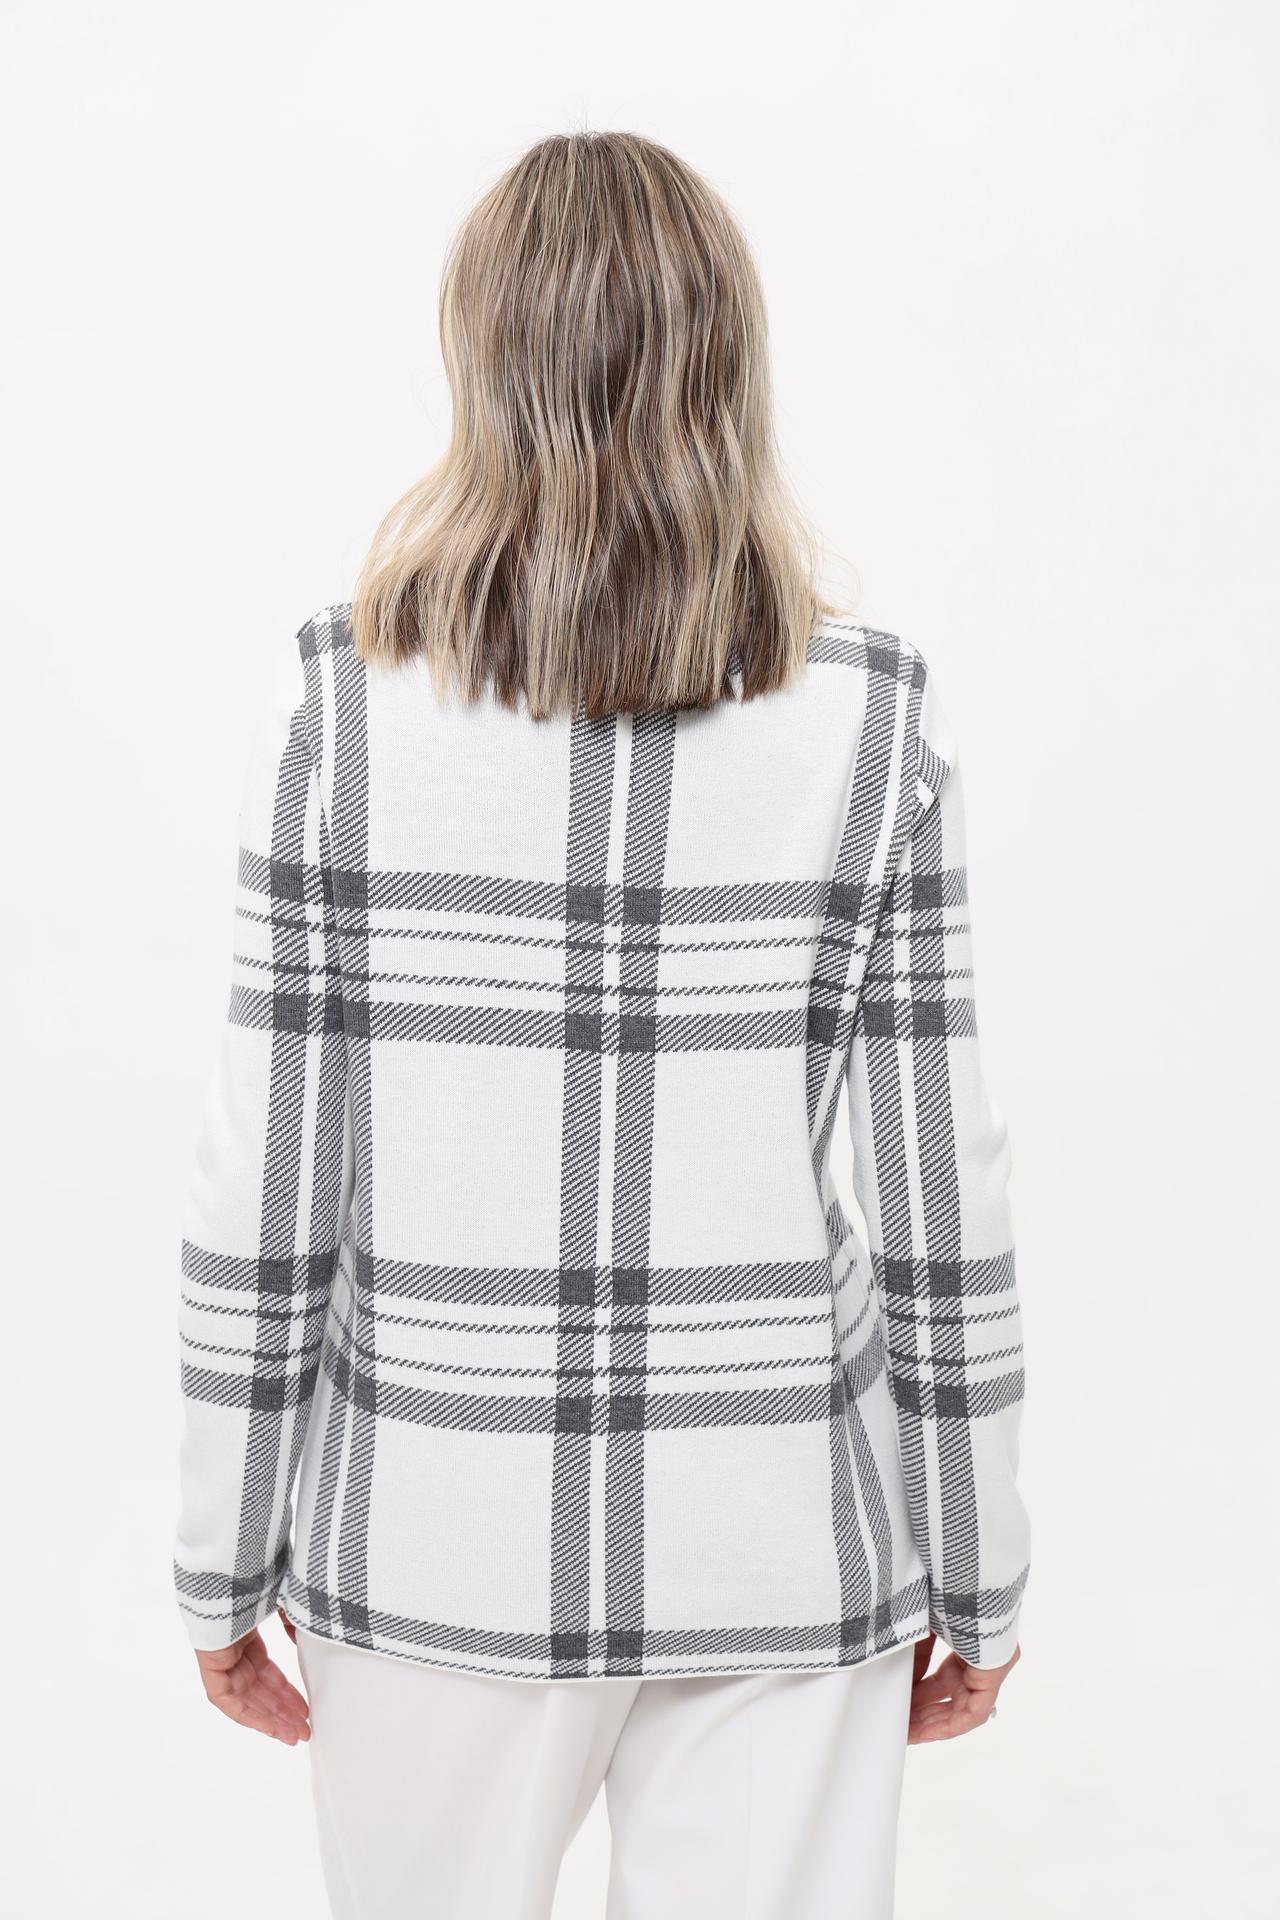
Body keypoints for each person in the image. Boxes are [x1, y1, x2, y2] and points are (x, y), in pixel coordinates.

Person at [172, 128, 1030, 1920]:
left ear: (482, 360)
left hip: (433, 1530)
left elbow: (270, 1183)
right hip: (782, 1534)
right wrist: (981, 1562)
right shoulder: (872, 717)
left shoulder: (339, 708)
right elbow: (943, 1199)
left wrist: (219, 1553)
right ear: (731, 361)